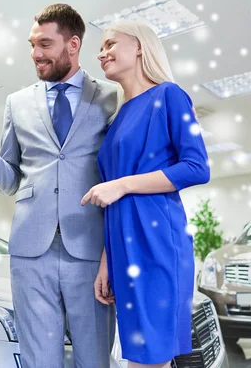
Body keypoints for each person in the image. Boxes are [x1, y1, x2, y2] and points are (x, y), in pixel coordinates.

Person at [0, 4, 116, 367]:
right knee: (39, 360)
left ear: (73, 44)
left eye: (45, 44)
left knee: (95, 358)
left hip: (89, 249)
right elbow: (11, 180)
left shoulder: (110, 97)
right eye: (31, 44)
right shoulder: (17, 103)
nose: (36, 54)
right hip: (30, 252)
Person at [82, 20, 210, 368]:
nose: (101, 53)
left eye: (110, 44)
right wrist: (106, 262)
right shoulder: (119, 117)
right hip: (123, 247)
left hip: (157, 244)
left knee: (150, 356)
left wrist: (122, 184)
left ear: (140, 46)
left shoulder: (169, 95)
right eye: (101, 47)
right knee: (139, 356)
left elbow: (197, 167)